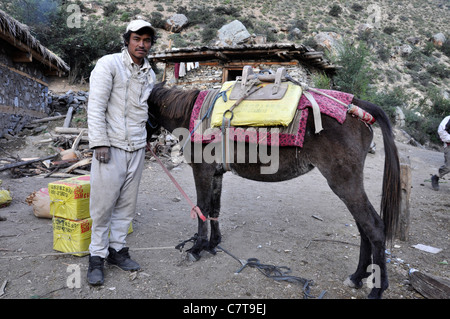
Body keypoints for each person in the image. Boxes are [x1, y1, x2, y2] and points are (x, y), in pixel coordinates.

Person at [86, 19, 157, 285]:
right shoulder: (109, 64)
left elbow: (143, 111)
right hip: (110, 146)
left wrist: (146, 137)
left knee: (126, 206)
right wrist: (100, 142)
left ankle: (117, 251)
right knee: (103, 206)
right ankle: (96, 257)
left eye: (147, 40)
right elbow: (96, 107)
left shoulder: (149, 73)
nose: (142, 44)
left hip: (137, 147)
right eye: (137, 38)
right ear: (127, 39)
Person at [431, 115, 450, 191]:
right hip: (449, 146)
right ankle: (436, 177)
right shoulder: (448, 119)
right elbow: (441, 131)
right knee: (448, 167)